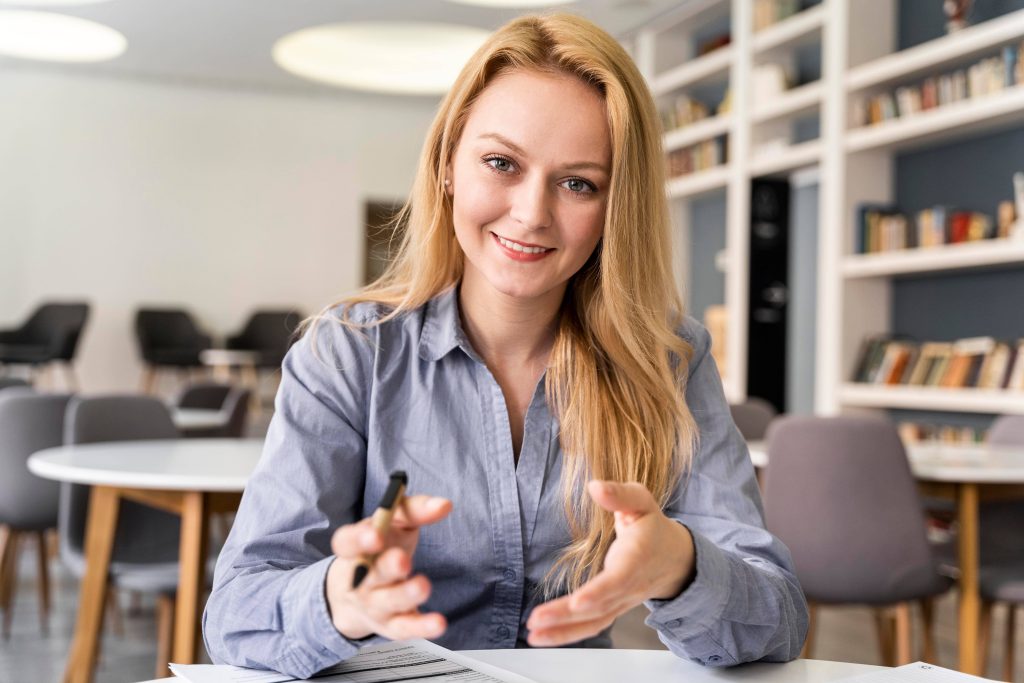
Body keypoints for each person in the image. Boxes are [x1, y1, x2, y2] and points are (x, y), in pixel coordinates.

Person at [203, 13, 808, 678]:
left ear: (615, 209)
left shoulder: (669, 358)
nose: (531, 213)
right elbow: (235, 611)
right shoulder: (348, 353)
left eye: (579, 182)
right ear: (447, 167)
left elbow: (778, 616)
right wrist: (339, 597)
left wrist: (681, 565)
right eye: (502, 163)